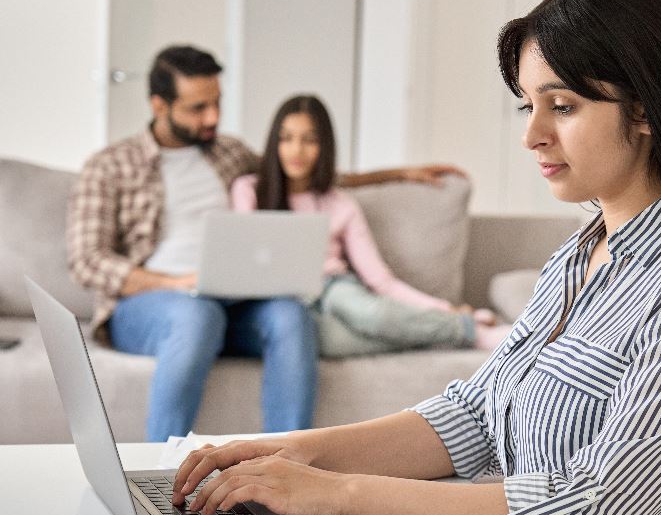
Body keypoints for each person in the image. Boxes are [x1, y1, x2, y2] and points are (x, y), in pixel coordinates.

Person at [171, 0, 661, 515]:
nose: (532, 134)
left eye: (561, 105)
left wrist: (340, 493)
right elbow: (474, 417)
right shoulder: (580, 256)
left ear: (644, 110)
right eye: (527, 105)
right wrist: (294, 451)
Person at [67, 45, 464, 443]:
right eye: (197, 108)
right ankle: (158, 472)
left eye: (217, 103)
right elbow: (87, 261)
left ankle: (285, 469)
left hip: (233, 300)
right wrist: (176, 283)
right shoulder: (109, 166)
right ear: (159, 105)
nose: (213, 118)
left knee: (291, 316)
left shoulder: (228, 153)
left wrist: (397, 173)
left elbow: (299, 174)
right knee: (197, 316)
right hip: (154, 305)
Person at [230, 94, 509, 356]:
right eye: (286, 139)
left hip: (332, 287)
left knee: (372, 315)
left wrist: (445, 308)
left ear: (324, 146)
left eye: (310, 140)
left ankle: (470, 331)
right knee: (322, 339)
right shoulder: (248, 190)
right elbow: (248, 262)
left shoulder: (341, 205)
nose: (296, 150)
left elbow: (381, 281)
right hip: (284, 302)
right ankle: (456, 330)